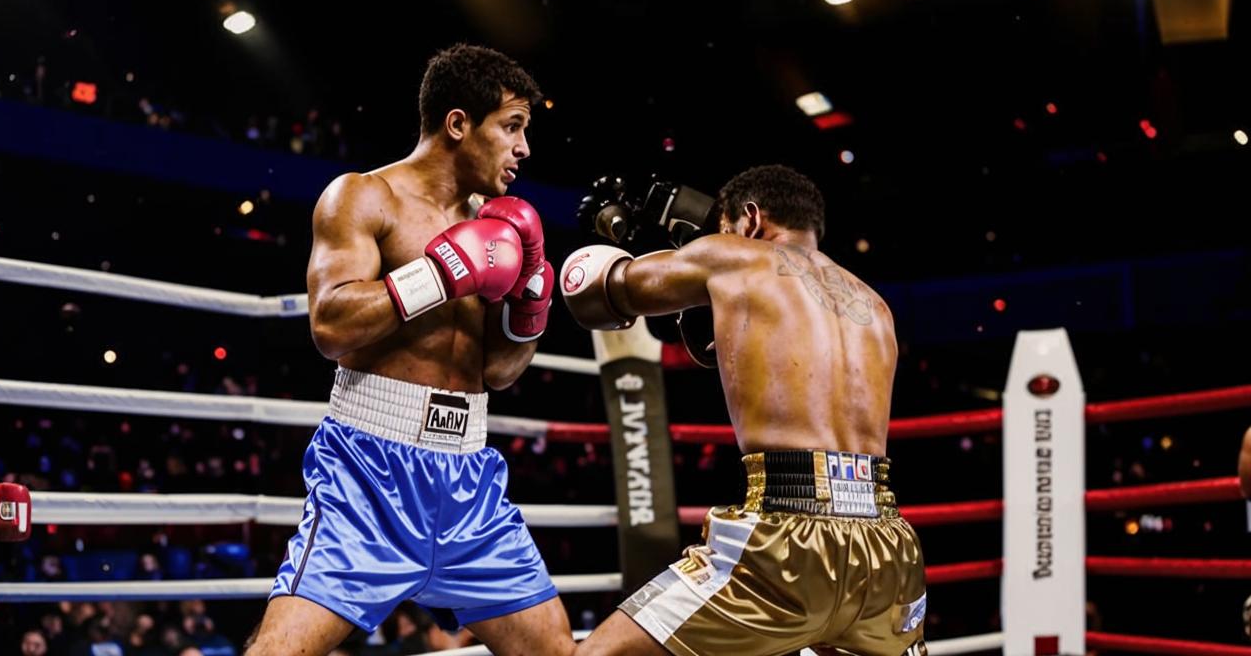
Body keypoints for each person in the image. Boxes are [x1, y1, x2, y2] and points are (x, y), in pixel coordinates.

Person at [244, 44, 572, 656]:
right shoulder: (365, 197)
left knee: (557, 651)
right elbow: (330, 325)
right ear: (457, 124)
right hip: (371, 475)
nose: (524, 148)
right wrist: (441, 274)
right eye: (512, 127)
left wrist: (529, 307)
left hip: (469, 480)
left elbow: (500, 371)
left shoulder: (500, 227)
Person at [561, 165, 927, 656]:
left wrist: (616, 230)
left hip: (783, 540)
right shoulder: (875, 305)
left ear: (750, 220)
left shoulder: (733, 256)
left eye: (725, 228)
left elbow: (592, 292)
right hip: (886, 547)